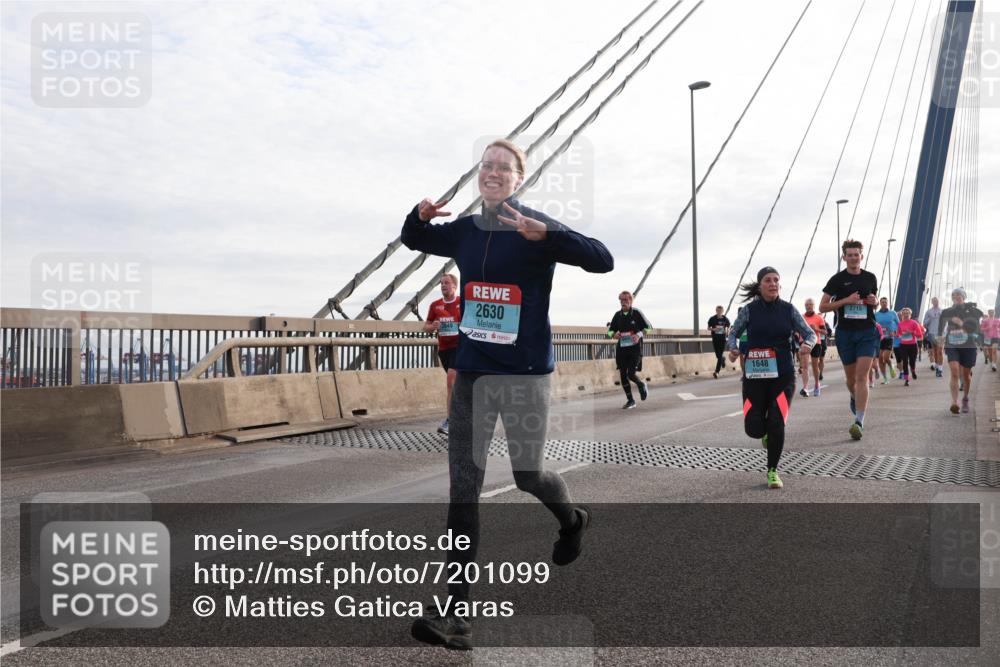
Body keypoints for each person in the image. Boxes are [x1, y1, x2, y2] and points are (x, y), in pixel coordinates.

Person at [401, 138, 614, 649]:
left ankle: (571, 519)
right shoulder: (465, 233)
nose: (493, 173)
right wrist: (419, 214)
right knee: (463, 490)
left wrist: (553, 239)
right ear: (480, 176)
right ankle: (456, 614)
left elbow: (602, 259)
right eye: (487, 166)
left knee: (527, 475)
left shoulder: (535, 226)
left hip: (524, 376)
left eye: (504, 167)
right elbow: (412, 239)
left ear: (519, 178)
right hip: (474, 373)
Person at [727, 267, 816, 489]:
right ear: (760, 285)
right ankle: (765, 433)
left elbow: (810, 333)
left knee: (777, 421)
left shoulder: (788, 310)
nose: (773, 284)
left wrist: (807, 344)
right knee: (754, 428)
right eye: (768, 280)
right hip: (755, 376)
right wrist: (733, 348)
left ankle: (772, 470)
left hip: (783, 375)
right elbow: (733, 333)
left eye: (777, 280)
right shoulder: (749, 310)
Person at [820, 239, 880, 441]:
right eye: (850, 254)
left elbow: (873, 302)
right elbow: (822, 307)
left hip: (867, 331)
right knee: (851, 379)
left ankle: (859, 421)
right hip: (845, 333)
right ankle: (854, 397)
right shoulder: (837, 280)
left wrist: (875, 302)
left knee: (862, 377)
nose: (854, 258)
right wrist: (846, 301)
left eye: (857, 254)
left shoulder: (870, 277)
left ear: (861, 256)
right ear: (844, 257)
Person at [424, 273, 462, 435]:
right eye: (441, 283)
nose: (443, 286)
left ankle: (450, 421)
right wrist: (433, 326)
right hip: (444, 350)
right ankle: (463, 415)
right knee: (456, 386)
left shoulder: (462, 302)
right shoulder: (435, 305)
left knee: (451, 382)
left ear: (454, 286)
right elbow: (425, 326)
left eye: (446, 283)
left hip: (460, 347)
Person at [937, 288, 984, 414]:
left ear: (964, 297)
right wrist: (940, 337)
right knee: (954, 372)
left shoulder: (973, 311)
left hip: (968, 345)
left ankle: (965, 399)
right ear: (952, 298)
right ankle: (954, 402)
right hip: (952, 344)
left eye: (959, 295)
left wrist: (962, 323)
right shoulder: (947, 312)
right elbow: (940, 328)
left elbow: (976, 330)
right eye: (954, 295)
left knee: (966, 376)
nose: (956, 296)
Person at [608, 291, 652, 408]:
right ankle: (630, 400)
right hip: (622, 350)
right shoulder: (618, 315)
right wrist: (613, 335)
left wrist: (638, 335)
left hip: (635, 349)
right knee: (623, 375)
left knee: (631, 374)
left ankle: (641, 384)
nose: (623, 302)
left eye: (626, 300)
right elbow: (610, 330)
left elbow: (649, 328)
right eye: (621, 300)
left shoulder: (637, 313)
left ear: (631, 301)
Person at [801, 298, 828, 396]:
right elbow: (797, 329)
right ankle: (805, 387)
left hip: (816, 343)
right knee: (804, 366)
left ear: (813, 306)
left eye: (810, 304)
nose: (808, 306)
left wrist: (816, 329)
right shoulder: (801, 317)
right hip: (804, 344)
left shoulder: (819, 318)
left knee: (815, 366)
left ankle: (817, 383)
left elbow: (825, 332)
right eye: (807, 305)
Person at [874, 297, 899, 385]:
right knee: (880, 359)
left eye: (885, 302)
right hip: (880, 338)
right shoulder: (876, 315)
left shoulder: (892, 313)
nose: (884, 303)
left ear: (887, 303)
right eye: (882, 302)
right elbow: (873, 325)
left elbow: (898, 323)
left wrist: (895, 332)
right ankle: (885, 378)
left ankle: (891, 366)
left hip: (889, 338)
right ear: (880, 304)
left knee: (886, 357)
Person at [895, 307, 923, 386]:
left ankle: (913, 371)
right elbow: (899, 333)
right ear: (902, 315)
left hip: (912, 345)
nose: (906, 315)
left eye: (907, 313)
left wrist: (911, 332)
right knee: (905, 362)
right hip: (903, 345)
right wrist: (899, 335)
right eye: (904, 313)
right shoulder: (900, 324)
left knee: (912, 362)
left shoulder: (914, 323)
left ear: (910, 315)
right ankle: (906, 379)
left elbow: (920, 335)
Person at [707, 305, 731, 378]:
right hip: (715, 339)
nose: (719, 312)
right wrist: (714, 329)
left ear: (722, 311)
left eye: (720, 311)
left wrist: (727, 331)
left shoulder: (725, 319)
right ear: (716, 310)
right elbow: (708, 328)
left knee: (719, 355)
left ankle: (716, 372)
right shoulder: (712, 319)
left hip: (722, 339)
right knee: (718, 355)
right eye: (718, 310)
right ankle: (723, 359)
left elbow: (728, 326)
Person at [923, 296, 944, 376]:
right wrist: (931, 319)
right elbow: (924, 324)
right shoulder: (928, 312)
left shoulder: (942, 311)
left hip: (940, 334)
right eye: (934, 301)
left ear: (939, 301)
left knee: (940, 351)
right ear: (932, 302)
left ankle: (940, 369)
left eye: (937, 301)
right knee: (935, 352)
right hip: (932, 333)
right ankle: (936, 365)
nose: (935, 302)